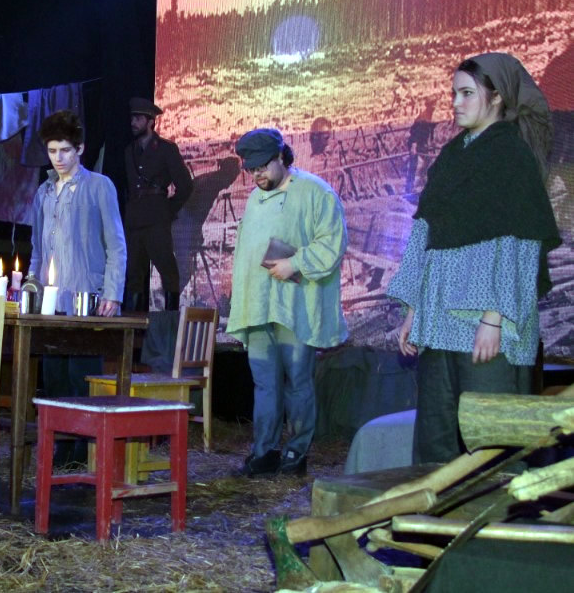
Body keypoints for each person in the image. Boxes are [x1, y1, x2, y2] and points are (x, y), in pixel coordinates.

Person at [387, 53, 561, 464]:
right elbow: (424, 234)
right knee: (436, 442)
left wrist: (494, 317)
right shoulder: (451, 157)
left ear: (497, 97)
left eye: (467, 93)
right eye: (453, 94)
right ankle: (432, 508)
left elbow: (520, 243)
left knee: (491, 445)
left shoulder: (512, 157)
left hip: (486, 326)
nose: (455, 103)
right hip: (439, 321)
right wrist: (413, 311)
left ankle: (495, 509)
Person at [228, 129, 348, 477]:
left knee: (298, 381)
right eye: (252, 169)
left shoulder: (315, 192)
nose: (257, 175)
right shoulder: (255, 198)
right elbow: (245, 254)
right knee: (265, 383)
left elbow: (332, 242)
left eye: (262, 166)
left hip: (295, 306)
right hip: (259, 305)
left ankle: (296, 452)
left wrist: (294, 263)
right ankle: (263, 451)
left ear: (281, 156)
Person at [29, 110, 127, 464]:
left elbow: (116, 243)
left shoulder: (99, 186)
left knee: (81, 376)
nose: (58, 158)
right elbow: (38, 248)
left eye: (65, 150)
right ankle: (61, 444)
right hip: (51, 301)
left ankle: (84, 448)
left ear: (80, 149)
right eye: (52, 150)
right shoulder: (43, 192)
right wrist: (31, 286)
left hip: (86, 296)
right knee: (54, 375)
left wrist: (113, 292)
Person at [124, 97, 193, 311]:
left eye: (138, 118)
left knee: (167, 270)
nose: (133, 122)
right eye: (132, 118)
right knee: (134, 273)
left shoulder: (166, 149)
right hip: (134, 219)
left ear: (150, 121)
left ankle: (170, 320)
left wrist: (168, 210)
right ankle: (133, 324)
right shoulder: (129, 150)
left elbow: (185, 186)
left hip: (157, 219)